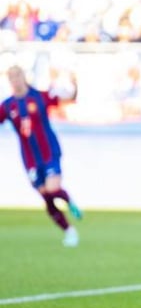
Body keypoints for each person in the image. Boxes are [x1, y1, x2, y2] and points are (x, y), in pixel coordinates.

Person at [0, 65, 83, 247]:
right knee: (46, 197)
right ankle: (69, 231)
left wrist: (74, 84)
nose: (15, 80)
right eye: (11, 78)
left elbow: (69, 99)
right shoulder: (8, 105)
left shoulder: (40, 97)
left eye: (17, 76)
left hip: (49, 152)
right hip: (30, 159)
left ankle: (69, 200)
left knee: (53, 189)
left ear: (24, 77)